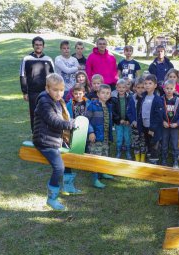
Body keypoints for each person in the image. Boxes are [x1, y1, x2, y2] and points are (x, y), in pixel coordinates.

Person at [32, 73, 76, 210]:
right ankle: (52, 198)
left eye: (61, 90)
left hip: (54, 139)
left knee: (69, 157)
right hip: (44, 141)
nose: (59, 93)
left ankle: (68, 186)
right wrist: (68, 124)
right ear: (47, 88)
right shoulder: (44, 102)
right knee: (58, 168)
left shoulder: (57, 101)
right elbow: (53, 120)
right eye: (55, 90)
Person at [20, 36, 55, 132]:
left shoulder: (48, 59)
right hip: (32, 92)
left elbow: (54, 77)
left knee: (47, 112)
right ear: (33, 46)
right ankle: (35, 133)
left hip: (47, 92)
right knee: (34, 113)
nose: (38, 46)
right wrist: (25, 92)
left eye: (40, 45)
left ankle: (47, 132)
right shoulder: (27, 59)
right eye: (36, 45)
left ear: (43, 46)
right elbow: (23, 76)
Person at [86, 84, 114, 189]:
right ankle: (95, 179)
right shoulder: (93, 105)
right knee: (95, 157)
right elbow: (86, 120)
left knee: (104, 155)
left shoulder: (108, 106)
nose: (105, 95)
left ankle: (102, 173)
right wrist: (91, 132)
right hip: (95, 137)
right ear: (98, 94)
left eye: (108, 93)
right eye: (103, 93)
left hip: (105, 137)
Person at [140, 74, 164, 164]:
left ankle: (154, 160)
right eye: (145, 83)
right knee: (148, 141)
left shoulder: (157, 99)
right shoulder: (143, 97)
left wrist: (152, 128)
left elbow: (158, 116)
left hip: (153, 127)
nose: (147, 85)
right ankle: (150, 155)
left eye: (150, 83)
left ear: (155, 85)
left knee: (154, 143)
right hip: (145, 125)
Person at [161, 80, 179, 168]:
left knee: (175, 144)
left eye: (171, 88)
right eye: (167, 88)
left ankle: (175, 161)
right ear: (164, 89)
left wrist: (177, 123)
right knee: (164, 143)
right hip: (164, 126)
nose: (169, 90)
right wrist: (162, 121)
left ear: (174, 89)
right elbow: (158, 113)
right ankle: (164, 159)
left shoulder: (178, 101)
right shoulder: (161, 99)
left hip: (175, 127)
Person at [127, 77, 147, 162]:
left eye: (143, 87)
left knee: (143, 142)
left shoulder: (148, 98)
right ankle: (137, 159)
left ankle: (142, 159)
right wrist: (132, 121)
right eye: (138, 87)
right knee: (136, 142)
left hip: (145, 126)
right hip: (135, 126)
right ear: (134, 88)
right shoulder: (132, 98)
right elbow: (129, 112)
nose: (140, 90)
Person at [112, 79, 132, 160]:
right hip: (118, 123)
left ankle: (128, 151)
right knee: (119, 137)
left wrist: (128, 120)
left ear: (126, 88)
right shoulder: (114, 99)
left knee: (127, 137)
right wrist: (119, 120)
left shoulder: (129, 98)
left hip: (127, 122)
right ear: (116, 87)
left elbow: (131, 111)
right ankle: (119, 151)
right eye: (119, 87)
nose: (121, 89)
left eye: (123, 87)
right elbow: (113, 112)